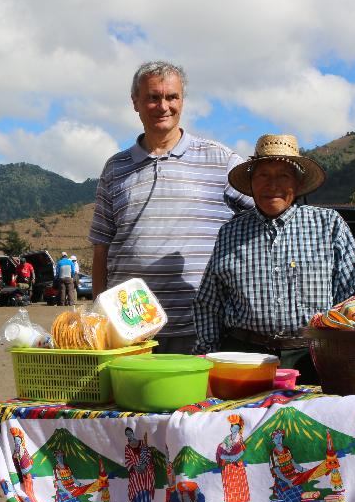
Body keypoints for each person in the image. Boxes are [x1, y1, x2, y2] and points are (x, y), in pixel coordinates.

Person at [89, 61, 253, 354]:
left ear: (182, 101)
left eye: (171, 97)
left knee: (198, 401)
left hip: (203, 326)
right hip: (128, 330)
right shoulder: (115, 168)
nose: (163, 106)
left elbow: (260, 221)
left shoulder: (221, 160)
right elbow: (101, 247)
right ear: (136, 103)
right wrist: (98, 313)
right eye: (153, 97)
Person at [193, 133, 355, 383]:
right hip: (245, 358)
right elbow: (208, 302)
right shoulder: (230, 231)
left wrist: (353, 356)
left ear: (297, 185)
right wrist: (208, 358)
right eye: (263, 175)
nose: (272, 185)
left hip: (314, 357)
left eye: (283, 176)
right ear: (251, 183)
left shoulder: (328, 225)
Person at [215, 414, 251, 502]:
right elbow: (221, 451)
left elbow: (241, 451)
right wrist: (227, 457)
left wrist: (234, 457)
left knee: (240, 487)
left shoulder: (240, 439)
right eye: (232, 427)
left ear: (239, 428)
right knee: (232, 487)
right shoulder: (227, 438)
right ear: (230, 428)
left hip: (237, 466)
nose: (234, 429)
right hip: (228, 467)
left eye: (236, 427)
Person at [124, 428, 155, 502]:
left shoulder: (142, 443)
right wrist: (135, 467)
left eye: (130, 433)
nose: (129, 435)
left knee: (145, 492)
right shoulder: (127, 447)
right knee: (138, 493)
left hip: (146, 473)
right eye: (127, 434)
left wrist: (144, 465)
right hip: (135, 474)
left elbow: (148, 454)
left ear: (133, 433)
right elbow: (127, 459)